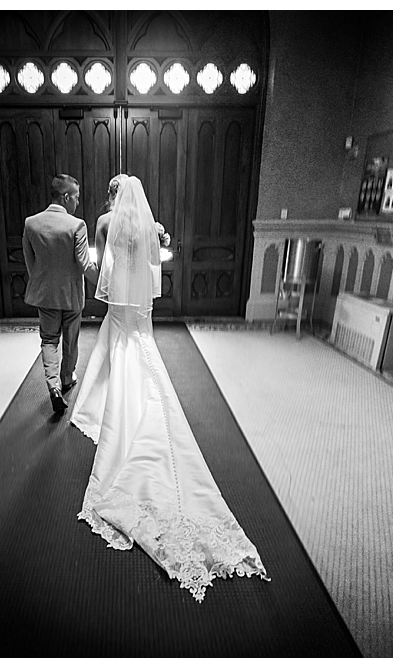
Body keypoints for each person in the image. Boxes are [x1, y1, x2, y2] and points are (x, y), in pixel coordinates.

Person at [70, 176, 269, 602]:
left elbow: (103, 261)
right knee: (146, 360)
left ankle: (108, 410)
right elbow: (158, 256)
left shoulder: (106, 221)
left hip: (118, 306)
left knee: (119, 355)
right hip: (140, 309)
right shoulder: (149, 223)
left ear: (112, 194)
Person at [22, 174, 100, 414]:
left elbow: (30, 261)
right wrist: (106, 285)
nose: (77, 202)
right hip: (71, 295)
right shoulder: (76, 225)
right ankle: (67, 378)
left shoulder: (31, 223)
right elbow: (84, 264)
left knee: (48, 340)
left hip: (45, 294)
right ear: (66, 197)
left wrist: (42, 281)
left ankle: (53, 386)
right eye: (76, 197)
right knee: (71, 338)